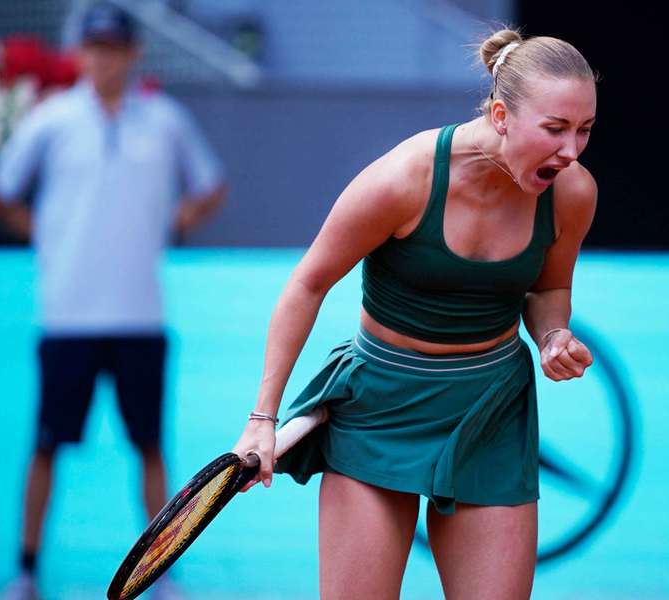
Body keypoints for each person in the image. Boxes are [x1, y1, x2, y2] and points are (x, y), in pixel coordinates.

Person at [232, 27, 597, 599]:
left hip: (491, 408)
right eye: (554, 129)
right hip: (380, 407)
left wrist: (553, 335)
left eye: (584, 130)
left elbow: (549, 289)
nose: (571, 150)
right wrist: (262, 418)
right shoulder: (404, 179)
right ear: (501, 115)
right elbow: (308, 283)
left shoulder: (573, 193)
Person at [0, 3, 225, 599]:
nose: (104, 59)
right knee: (45, 445)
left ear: (133, 54)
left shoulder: (166, 120)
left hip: (139, 315)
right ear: (82, 54)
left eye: (114, 48)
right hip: (68, 315)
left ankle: (163, 570)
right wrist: (45, 232)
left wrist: (176, 221)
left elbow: (209, 184)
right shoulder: (51, 121)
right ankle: (25, 569)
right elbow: (6, 189)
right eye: (94, 48)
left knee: (150, 446)